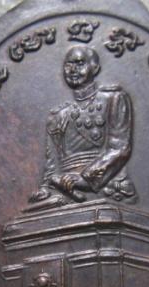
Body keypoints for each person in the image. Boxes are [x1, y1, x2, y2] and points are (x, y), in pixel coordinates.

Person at [29, 46, 137, 209]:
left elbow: (120, 148)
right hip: (66, 189)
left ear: (95, 68)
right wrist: (47, 188)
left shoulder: (113, 99)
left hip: (107, 186)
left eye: (80, 63)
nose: (73, 70)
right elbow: (52, 164)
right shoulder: (58, 115)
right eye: (69, 64)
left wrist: (86, 179)